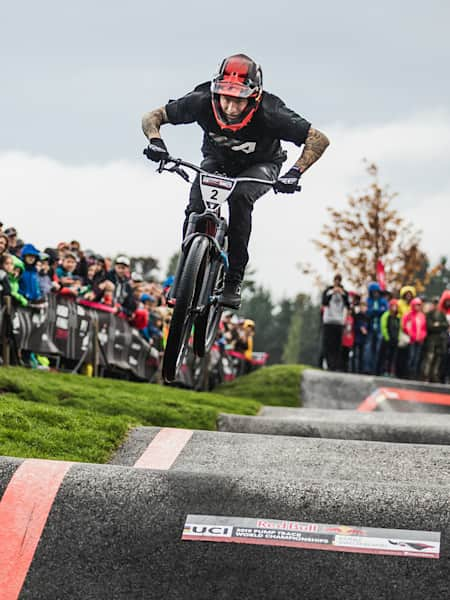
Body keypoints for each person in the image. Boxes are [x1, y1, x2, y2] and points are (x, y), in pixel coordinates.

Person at [142, 53, 329, 308]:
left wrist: (295, 172)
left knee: (240, 200)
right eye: (225, 99)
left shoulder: (272, 112)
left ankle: (233, 281)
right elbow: (152, 116)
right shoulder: (202, 100)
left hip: (261, 165)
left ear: (253, 98)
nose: (230, 109)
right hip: (216, 161)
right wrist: (156, 142)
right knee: (197, 206)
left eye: (238, 101)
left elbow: (318, 139)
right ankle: (184, 277)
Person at [321, 274, 349, 371]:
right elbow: (324, 302)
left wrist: (342, 294)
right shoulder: (328, 291)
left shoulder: (344, 292)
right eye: (336, 280)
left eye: (339, 280)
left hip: (339, 321)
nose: (337, 282)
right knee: (328, 344)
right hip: (328, 320)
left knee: (337, 345)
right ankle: (328, 364)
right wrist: (332, 292)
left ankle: (335, 365)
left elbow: (348, 305)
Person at [421, 296, 448, 383]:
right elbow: (429, 326)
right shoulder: (429, 314)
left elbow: (446, 325)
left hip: (440, 340)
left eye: (437, 303)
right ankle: (426, 376)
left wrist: (438, 325)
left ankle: (434, 375)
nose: (436, 305)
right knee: (429, 358)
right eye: (435, 303)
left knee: (438, 359)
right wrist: (438, 326)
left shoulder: (442, 314)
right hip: (431, 340)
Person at [402, 297, 427, 379]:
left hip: (419, 341)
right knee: (411, 357)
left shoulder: (422, 316)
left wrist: (422, 337)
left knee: (417, 358)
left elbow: (424, 328)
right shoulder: (409, 315)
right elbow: (405, 326)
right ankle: (407, 373)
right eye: (416, 305)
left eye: (419, 305)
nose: (418, 307)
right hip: (411, 340)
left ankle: (414, 374)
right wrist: (412, 335)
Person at [378, 299, 400, 376]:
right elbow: (383, 327)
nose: (394, 308)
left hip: (395, 340)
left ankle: (391, 371)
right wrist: (387, 337)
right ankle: (384, 371)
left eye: (396, 306)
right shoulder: (386, 315)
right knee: (385, 356)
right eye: (393, 306)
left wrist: (398, 338)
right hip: (387, 340)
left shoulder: (398, 317)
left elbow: (399, 328)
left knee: (392, 357)